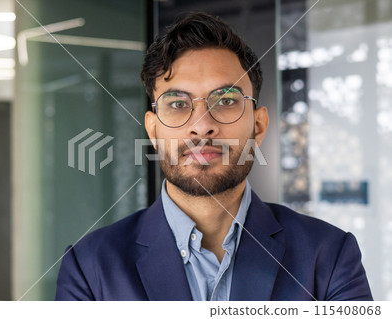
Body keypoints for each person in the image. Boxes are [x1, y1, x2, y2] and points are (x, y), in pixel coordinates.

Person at [55, 12, 372, 301]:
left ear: (258, 126)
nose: (202, 126)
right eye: (178, 104)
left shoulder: (329, 257)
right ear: (153, 131)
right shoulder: (89, 267)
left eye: (226, 100)